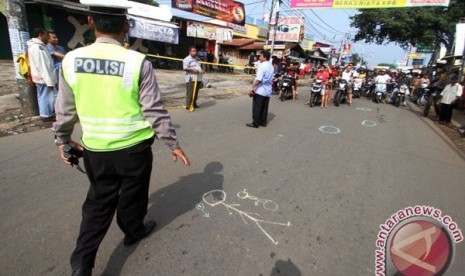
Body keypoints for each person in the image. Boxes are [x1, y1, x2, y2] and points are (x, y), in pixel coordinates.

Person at [51, 1, 190, 275]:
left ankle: (82, 264)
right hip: (134, 149)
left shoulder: (71, 60)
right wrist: (173, 144)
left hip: (95, 149)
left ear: (90, 22)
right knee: (133, 196)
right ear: (126, 27)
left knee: (98, 204)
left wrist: (62, 141)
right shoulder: (138, 62)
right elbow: (154, 110)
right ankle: (133, 230)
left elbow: (64, 110)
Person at [27, 27, 57, 122]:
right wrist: (49, 82)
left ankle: (46, 114)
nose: (48, 37)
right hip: (43, 78)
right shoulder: (37, 48)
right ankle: (46, 115)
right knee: (46, 97)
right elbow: (43, 66)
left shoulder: (39, 46)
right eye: (46, 35)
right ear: (40, 35)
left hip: (42, 77)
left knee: (44, 96)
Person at [247, 51, 274, 128]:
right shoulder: (271, 66)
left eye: (261, 56)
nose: (259, 58)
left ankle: (255, 123)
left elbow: (258, 79)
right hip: (268, 90)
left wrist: (252, 87)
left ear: (265, 57)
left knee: (257, 107)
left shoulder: (262, 65)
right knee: (264, 107)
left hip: (261, 89)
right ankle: (263, 122)